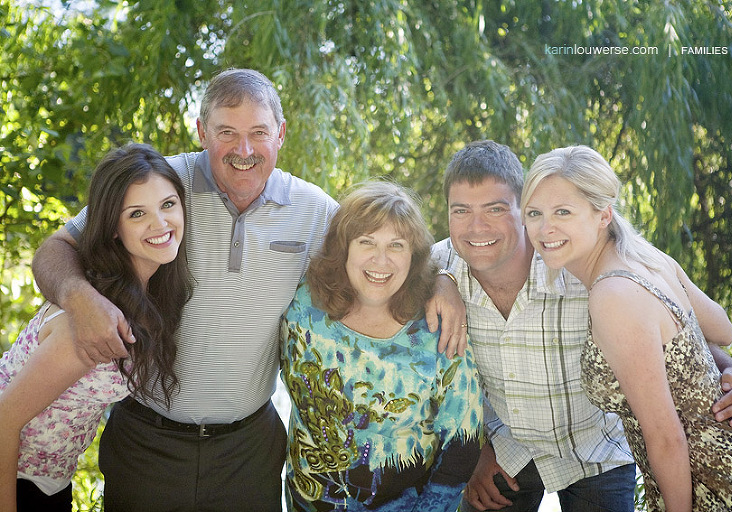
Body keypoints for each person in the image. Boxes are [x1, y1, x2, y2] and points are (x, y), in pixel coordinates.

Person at [30, 68, 465, 510]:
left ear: (280, 134)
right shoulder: (159, 190)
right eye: (226, 133)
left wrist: (444, 277)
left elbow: (386, 250)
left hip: (248, 451)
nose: (244, 149)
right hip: (146, 441)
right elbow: (56, 247)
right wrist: (77, 296)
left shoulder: (314, 211)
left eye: (259, 132)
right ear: (202, 132)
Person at [430, 140, 732, 512]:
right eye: (461, 210)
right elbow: (708, 327)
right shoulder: (439, 266)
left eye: (495, 209)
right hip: (507, 451)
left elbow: (684, 351)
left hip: (605, 453)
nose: (477, 227)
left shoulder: (590, 272)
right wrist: (440, 280)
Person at [0, 143, 192, 511]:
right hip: (15, 479)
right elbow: (4, 422)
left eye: (168, 205)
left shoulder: (145, 296)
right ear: (113, 228)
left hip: (51, 482)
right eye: (138, 214)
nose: (160, 223)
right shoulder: (88, 323)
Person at [280, 181, 483, 511]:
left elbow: (464, 440)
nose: (381, 260)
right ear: (343, 247)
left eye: (396, 246)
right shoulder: (305, 306)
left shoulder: (436, 325)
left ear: (413, 255)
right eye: (366, 242)